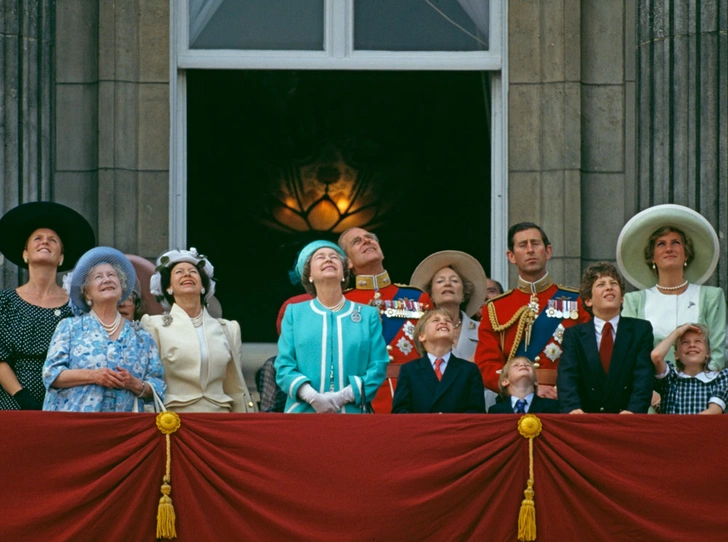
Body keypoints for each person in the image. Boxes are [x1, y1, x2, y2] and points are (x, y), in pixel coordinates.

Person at [474, 222, 590, 398]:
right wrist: (524, 390)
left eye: (535, 243)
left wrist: (568, 389)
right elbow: (487, 365)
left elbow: (590, 355)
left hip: (565, 399)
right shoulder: (495, 308)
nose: (530, 250)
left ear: (548, 251)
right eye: (522, 245)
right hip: (515, 401)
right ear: (511, 256)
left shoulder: (577, 301)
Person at [42, 247, 165, 412]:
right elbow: (51, 374)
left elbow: (158, 385)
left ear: (122, 289)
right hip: (76, 426)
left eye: (112, 275)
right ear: (87, 293)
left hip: (125, 428)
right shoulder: (70, 327)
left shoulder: (141, 336)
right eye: (98, 277)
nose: (107, 280)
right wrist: (93, 376)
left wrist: (136, 384)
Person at [0, 201, 95, 409]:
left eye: (53, 240)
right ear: (25, 254)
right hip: (11, 401)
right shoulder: (3, 302)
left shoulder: (77, 305)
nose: (45, 242)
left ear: (61, 257)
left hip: (64, 400)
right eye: (37, 239)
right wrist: (21, 396)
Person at [276, 240, 388, 414]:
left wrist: (343, 396)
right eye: (320, 257)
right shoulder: (294, 313)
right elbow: (284, 366)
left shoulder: (368, 315)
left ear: (344, 273)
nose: (328, 260)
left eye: (334, 257)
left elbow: (378, 365)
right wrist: (312, 396)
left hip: (354, 413)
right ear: (309, 275)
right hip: (303, 413)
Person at [142, 248, 256, 413]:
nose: (187, 275)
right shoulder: (154, 325)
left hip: (220, 418)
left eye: (193, 272)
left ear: (203, 286)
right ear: (168, 288)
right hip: (173, 418)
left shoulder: (228, 329)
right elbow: (150, 378)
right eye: (179, 272)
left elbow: (235, 386)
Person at [617, 204, 726, 371]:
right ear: (652, 257)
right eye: (661, 244)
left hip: (700, 391)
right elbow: (629, 352)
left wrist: (702, 387)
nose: (669, 249)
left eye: (676, 243)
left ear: (686, 254)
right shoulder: (635, 301)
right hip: (650, 392)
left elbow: (718, 353)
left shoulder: (711, 296)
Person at [337, 227, 432, 413]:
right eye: (357, 241)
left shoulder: (417, 298)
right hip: (359, 397)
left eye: (370, 238)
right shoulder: (340, 302)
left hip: (414, 395)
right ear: (347, 262)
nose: (367, 241)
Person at [557, 262, 654, 414]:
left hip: (627, 419)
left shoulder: (640, 330)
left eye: (613, 284)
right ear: (588, 300)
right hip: (586, 419)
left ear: (621, 298)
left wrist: (633, 410)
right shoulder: (574, 335)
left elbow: (643, 376)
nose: (609, 287)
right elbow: (568, 376)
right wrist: (572, 408)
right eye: (601, 284)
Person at [392, 308, 485, 414]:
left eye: (448, 321)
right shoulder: (409, 370)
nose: (443, 322)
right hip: (422, 429)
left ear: (453, 334)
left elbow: (476, 411)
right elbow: (400, 411)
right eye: (436, 320)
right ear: (422, 336)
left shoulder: (469, 370)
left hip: (457, 429)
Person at [410, 250, 486, 362]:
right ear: (430, 295)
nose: (447, 284)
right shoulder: (419, 332)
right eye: (440, 281)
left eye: (454, 281)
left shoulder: (482, 330)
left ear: (464, 294)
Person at [651, 323, 728, 414]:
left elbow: (714, 411)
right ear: (676, 355)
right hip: (672, 428)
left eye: (698, 341)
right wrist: (677, 332)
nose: (692, 345)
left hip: (702, 428)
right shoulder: (670, 378)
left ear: (708, 353)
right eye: (685, 342)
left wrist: (686, 426)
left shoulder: (720, 378)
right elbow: (656, 356)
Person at [488, 356, 559, 414]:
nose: (522, 365)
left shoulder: (553, 406)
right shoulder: (496, 410)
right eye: (516, 365)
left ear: (535, 381)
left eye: (527, 365)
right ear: (505, 381)